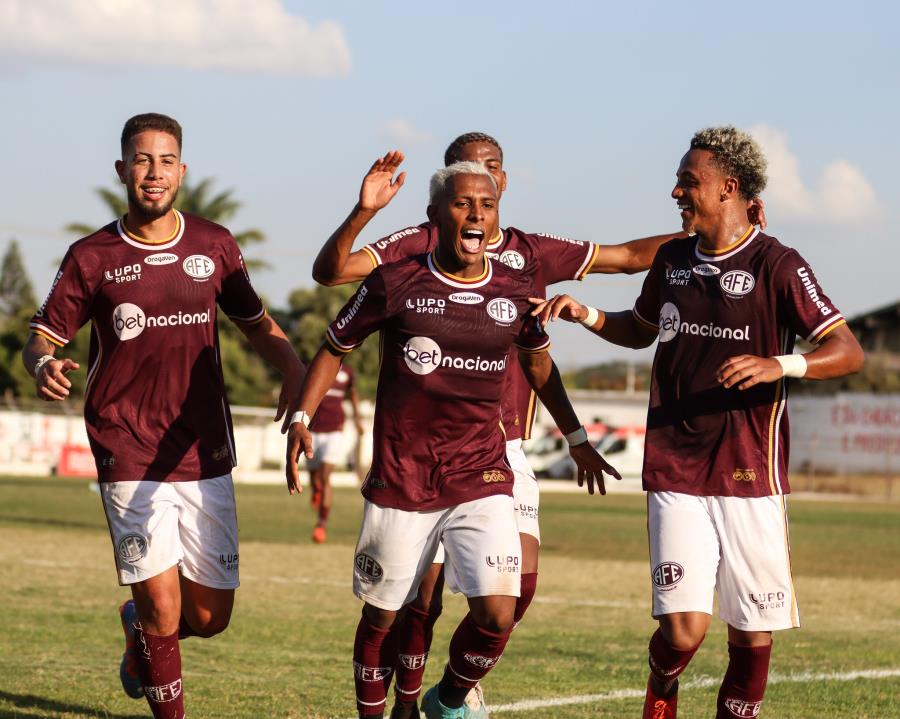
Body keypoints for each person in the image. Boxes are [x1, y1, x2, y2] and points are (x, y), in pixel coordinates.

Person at [311, 132, 767, 719]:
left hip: (503, 452)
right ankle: (405, 704)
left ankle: (455, 690)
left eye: (492, 171)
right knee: (415, 599)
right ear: (448, 188)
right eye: (468, 175)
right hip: (419, 452)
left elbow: (624, 258)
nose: (483, 183)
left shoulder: (532, 252)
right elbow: (335, 274)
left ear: (504, 181)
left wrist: (717, 231)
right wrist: (365, 211)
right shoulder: (421, 242)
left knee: (513, 593)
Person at [529, 126, 864, 719]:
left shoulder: (778, 264)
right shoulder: (672, 260)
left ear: (728, 189)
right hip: (676, 467)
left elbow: (847, 350)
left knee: (751, 635)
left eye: (689, 181)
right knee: (683, 632)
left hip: (751, 477)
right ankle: (662, 684)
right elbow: (639, 328)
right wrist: (584, 313)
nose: (677, 191)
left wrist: (778, 363)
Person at [286, 161, 619, 719]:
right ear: (435, 215)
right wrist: (302, 415)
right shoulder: (395, 281)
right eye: (464, 203)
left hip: (481, 474)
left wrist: (577, 436)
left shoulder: (515, 290)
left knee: (498, 612)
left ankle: (447, 699)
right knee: (384, 616)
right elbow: (334, 345)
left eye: (486, 206)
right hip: (404, 477)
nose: (477, 215)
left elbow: (539, 367)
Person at [23, 113, 304, 719]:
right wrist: (41, 362)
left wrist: (297, 372)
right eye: (143, 160)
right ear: (123, 170)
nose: (155, 172)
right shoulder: (91, 256)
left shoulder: (214, 244)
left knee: (208, 617)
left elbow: (256, 323)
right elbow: (42, 336)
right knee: (165, 613)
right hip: (125, 447)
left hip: (203, 450)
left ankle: (137, 630)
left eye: (167, 160)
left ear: (182, 170)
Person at [306, 362, 364, 543]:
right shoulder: (315, 366)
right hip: (313, 429)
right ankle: (316, 490)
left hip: (335, 430)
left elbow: (352, 394)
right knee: (315, 477)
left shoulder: (348, 372)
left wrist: (357, 419)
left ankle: (321, 524)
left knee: (325, 476)